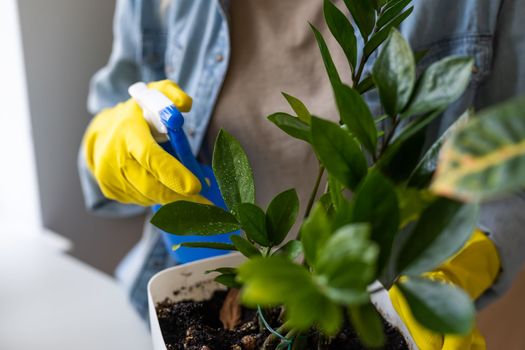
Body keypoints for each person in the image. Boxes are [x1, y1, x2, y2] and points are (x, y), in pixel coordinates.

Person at [79, 0, 525, 348]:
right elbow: (122, 95)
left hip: (376, 301)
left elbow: (512, 164)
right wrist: (106, 140)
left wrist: (458, 261)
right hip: (188, 284)